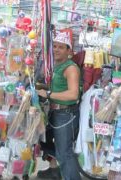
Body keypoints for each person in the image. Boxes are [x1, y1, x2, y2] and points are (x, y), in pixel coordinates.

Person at [36, 32, 81, 180]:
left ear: (69, 51)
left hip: (66, 115)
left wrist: (47, 94)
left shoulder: (71, 68)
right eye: (54, 46)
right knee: (44, 144)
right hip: (55, 113)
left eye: (61, 47)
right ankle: (55, 171)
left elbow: (73, 94)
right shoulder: (57, 65)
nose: (56, 50)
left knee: (65, 153)